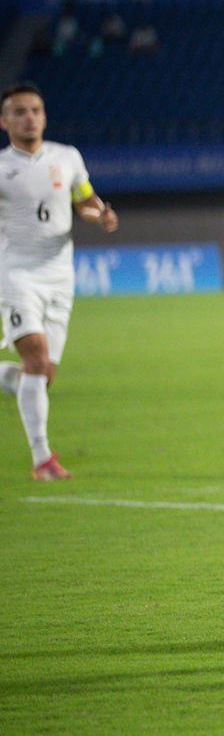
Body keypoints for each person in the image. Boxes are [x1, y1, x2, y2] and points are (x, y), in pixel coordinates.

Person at [0, 82, 119, 479]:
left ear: (44, 116)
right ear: (5, 121)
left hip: (60, 277)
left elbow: (84, 200)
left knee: (40, 378)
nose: (29, 117)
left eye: (35, 110)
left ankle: (39, 446)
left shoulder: (67, 158)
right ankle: (42, 459)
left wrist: (99, 214)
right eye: (19, 111)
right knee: (34, 355)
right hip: (15, 273)